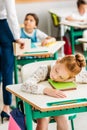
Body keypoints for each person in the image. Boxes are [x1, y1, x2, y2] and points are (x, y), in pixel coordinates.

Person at [21, 53, 86, 130]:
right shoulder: (44, 69)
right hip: (41, 104)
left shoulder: (70, 74)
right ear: (57, 61)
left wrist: (73, 79)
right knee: (43, 122)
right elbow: (25, 85)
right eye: (56, 71)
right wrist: (46, 90)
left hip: (59, 104)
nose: (55, 76)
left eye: (61, 77)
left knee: (64, 121)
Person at [0, 0, 24, 123]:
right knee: (7, 69)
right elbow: (11, 14)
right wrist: (17, 37)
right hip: (2, 27)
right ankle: (6, 107)